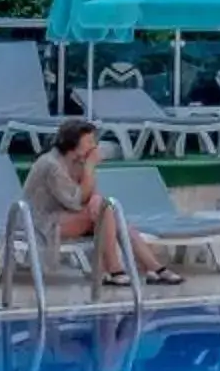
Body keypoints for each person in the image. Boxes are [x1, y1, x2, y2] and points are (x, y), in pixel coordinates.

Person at [24, 119, 177, 287]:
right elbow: (75, 202)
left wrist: (93, 191)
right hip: (42, 223)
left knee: (111, 213)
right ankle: (115, 269)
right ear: (73, 143)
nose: (94, 145)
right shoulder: (50, 164)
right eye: (89, 141)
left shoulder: (78, 162)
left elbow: (90, 197)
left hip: (68, 217)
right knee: (104, 209)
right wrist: (90, 167)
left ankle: (153, 268)